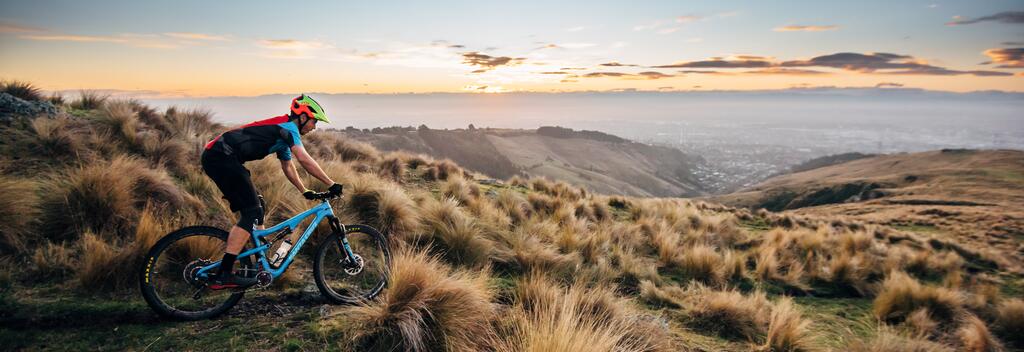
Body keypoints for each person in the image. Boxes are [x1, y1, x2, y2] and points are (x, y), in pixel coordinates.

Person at [200, 94, 342, 289]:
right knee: (250, 212)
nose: (314, 127)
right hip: (221, 157)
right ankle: (224, 273)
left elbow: (288, 165)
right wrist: (331, 183)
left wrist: (304, 190)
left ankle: (261, 263)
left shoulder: (283, 134)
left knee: (257, 207)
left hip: (222, 157)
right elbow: (304, 159)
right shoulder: (288, 129)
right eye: (314, 121)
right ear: (302, 117)